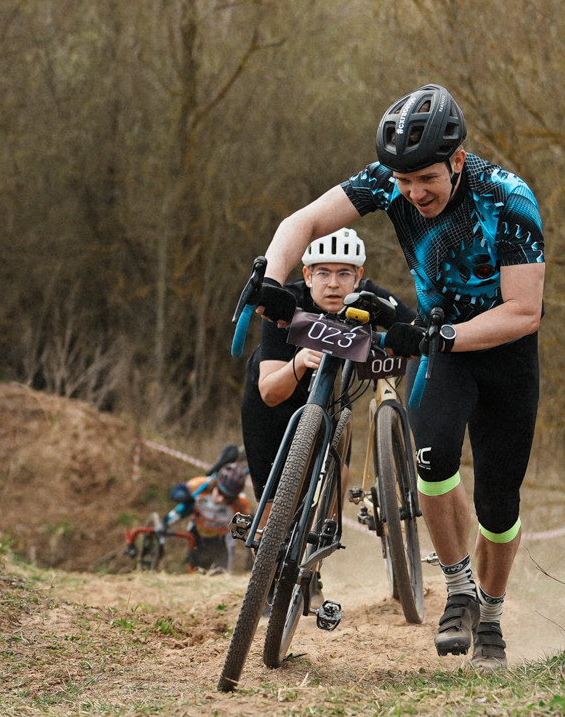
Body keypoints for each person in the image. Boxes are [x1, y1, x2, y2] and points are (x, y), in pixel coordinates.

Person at [254, 85, 544, 672]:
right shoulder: (389, 181)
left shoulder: (508, 198)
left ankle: (491, 614)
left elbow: (524, 311)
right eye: (405, 182)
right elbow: (305, 219)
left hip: (504, 349)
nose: (414, 194)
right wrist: (269, 273)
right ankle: (459, 590)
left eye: (427, 181)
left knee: (497, 502)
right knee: (432, 457)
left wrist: (441, 337)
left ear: (457, 161)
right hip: (444, 346)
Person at [239, 227, 404, 495]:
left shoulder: (369, 298)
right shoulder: (287, 302)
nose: (334, 284)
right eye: (323, 272)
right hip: (274, 404)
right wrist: (300, 360)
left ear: (358, 276)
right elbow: (269, 393)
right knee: (271, 516)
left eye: (344, 273)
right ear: (307, 275)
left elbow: (414, 330)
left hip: (333, 397)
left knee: (334, 491)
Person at [168, 447, 256, 572]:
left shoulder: (240, 504)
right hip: (196, 534)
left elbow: (252, 525)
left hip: (219, 541)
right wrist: (182, 496)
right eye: (220, 492)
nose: (221, 499)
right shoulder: (200, 485)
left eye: (228, 498)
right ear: (215, 484)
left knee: (221, 571)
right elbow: (177, 489)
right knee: (195, 569)